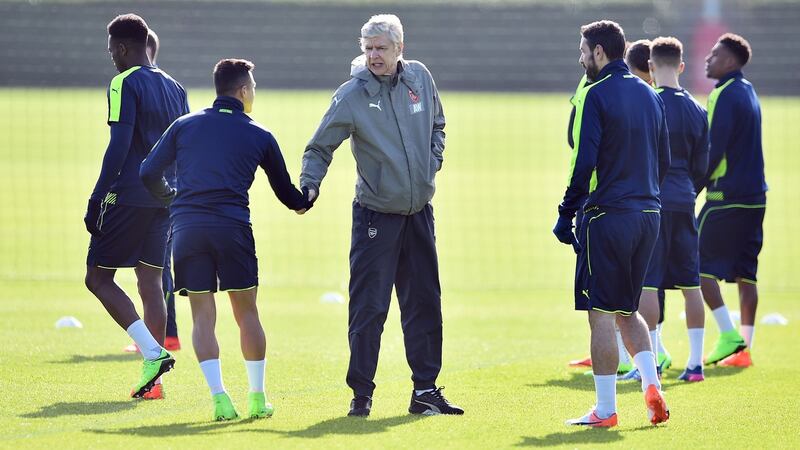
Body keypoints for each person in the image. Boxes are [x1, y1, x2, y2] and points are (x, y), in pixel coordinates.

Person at [299, 14, 463, 417]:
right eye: (368, 48)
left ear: (399, 48)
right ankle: (361, 394)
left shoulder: (420, 79)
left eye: (381, 48)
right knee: (369, 308)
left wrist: (433, 161)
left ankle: (425, 392)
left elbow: (439, 124)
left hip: (419, 214)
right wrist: (309, 184)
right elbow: (319, 147)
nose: (374, 55)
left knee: (425, 303)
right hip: (375, 218)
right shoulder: (352, 95)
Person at [141, 59, 312, 421]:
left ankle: (219, 399)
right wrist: (306, 199)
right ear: (244, 91)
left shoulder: (184, 126)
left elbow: (148, 171)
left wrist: (173, 198)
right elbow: (288, 194)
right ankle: (257, 398)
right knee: (246, 312)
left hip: (187, 230)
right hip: (232, 230)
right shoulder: (260, 134)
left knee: (203, 317)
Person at [553, 20, 670, 427]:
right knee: (626, 307)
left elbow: (583, 161)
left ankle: (605, 411)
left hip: (608, 217)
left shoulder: (594, 93)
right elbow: (665, 161)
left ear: (599, 52)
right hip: (649, 216)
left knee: (599, 312)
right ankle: (652, 385)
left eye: (583, 50)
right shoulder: (651, 95)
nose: (580, 57)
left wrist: (567, 212)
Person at [83, 13, 188, 400]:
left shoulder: (123, 82)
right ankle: (154, 385)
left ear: (124, 48)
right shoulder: (175, 87)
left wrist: (98, 195)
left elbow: (119, 144)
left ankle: (153, 353)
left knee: (97, 278)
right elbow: (182, 144)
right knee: (151, 283)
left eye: (112, 50)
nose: (112, 57)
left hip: (128, 194)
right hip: (167, 196)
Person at [640, 36, 709, 382]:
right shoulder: (698, 109)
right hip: (685, 199)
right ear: (681, 66)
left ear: (650, 67)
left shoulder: (649, 102)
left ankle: (649, 365)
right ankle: (695, 364)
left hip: (654, 200)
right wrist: (689, 190)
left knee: (648, 283)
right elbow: (703, 165)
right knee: (690, 283)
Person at [696, 33, 766, 368]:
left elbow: (715, 148)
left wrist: (695, 186)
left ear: (731, 62)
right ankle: (744, 351)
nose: (708, 59)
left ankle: (728, 335)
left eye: (715, 54)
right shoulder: (749, 90)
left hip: (726, 198)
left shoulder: (722, 94)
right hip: (755, 198)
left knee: (694, 265)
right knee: (746, 274)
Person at [124, 27, 182, 355]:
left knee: (151, 273)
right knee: (160, 269)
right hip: (172, 189)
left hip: (147, 190)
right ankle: (166, 336)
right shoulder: (173, 88)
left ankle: (160, 339)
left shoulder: (136, 89)